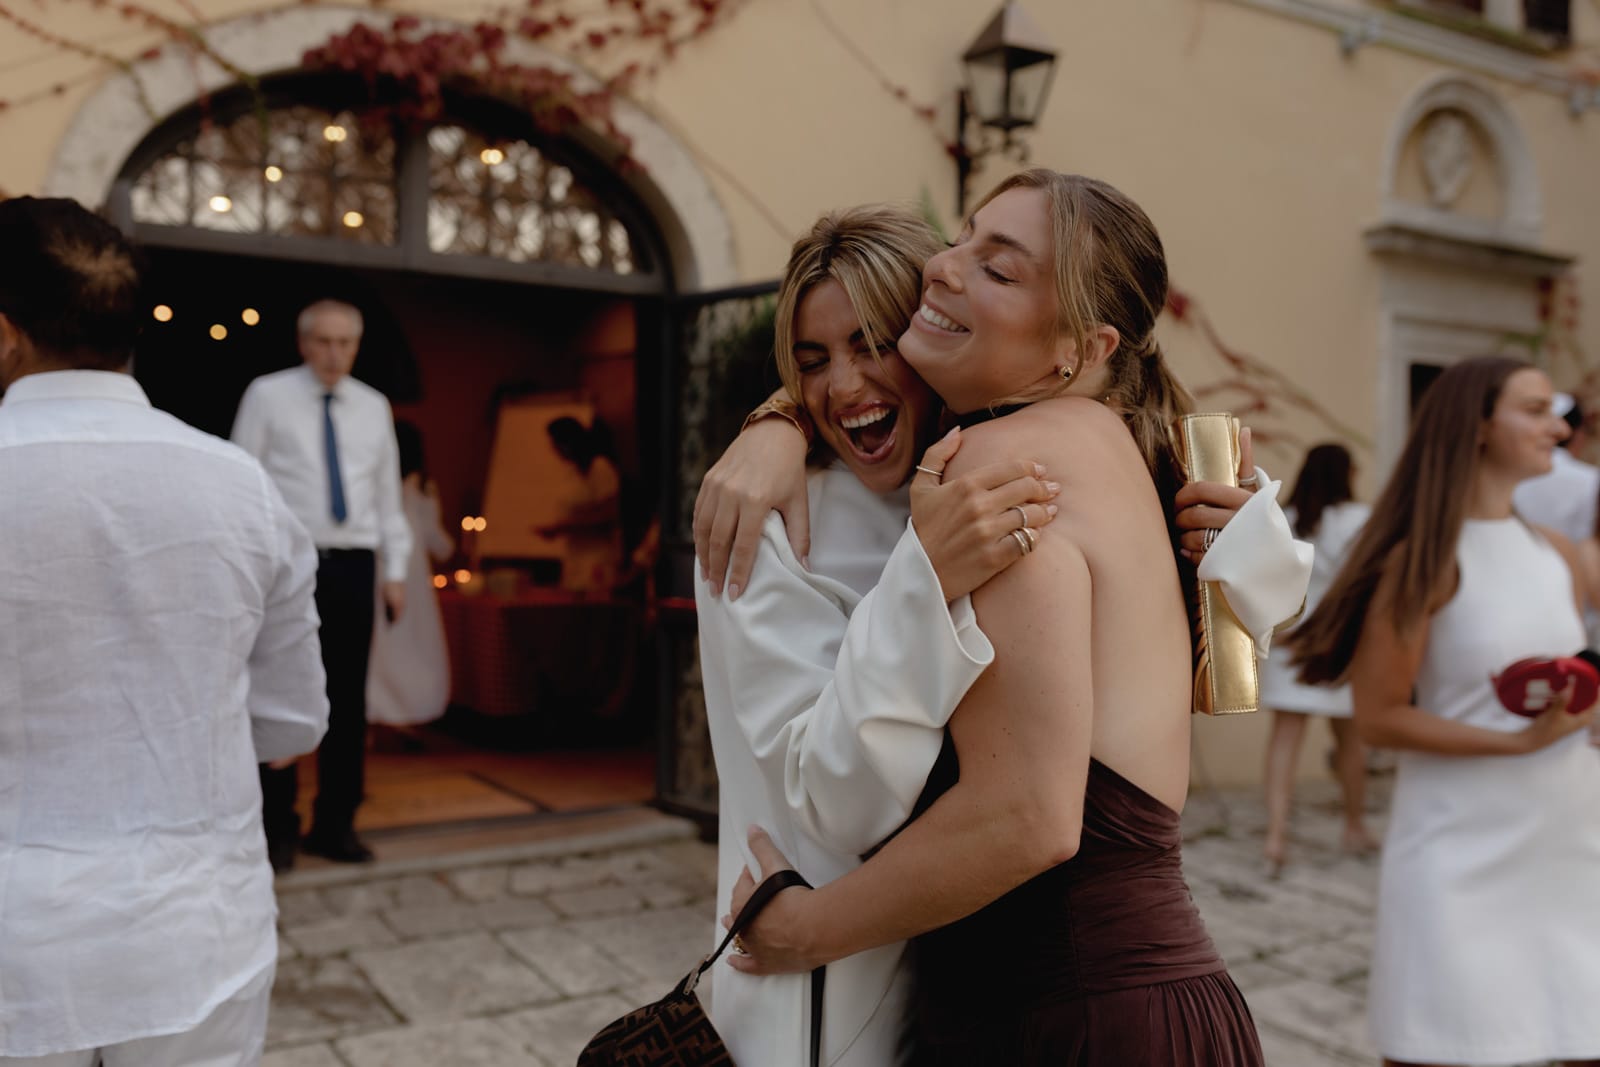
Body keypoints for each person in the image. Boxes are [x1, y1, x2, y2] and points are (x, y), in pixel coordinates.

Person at [705, 172, 1310, 1063]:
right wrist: (780, 418)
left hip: (1066, 1018)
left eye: (997, 266)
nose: (946, 268)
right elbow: (1190, 690)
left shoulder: (997, 469)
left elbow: (1030, 817)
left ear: (1078, 348)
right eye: (961, 241)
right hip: (1129, 998)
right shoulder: (1116, 445)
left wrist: (806, 931)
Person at [0, 197, 327, 1065]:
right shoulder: (243, 486)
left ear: (4, 334)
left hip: (18, 938)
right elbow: (292, 722)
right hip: (195, 927)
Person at [1289, 357, 1600, 1067]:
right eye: (1535, 410)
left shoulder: (1558, 553)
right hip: (1461, 854)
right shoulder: (1422, 562)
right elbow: (1379, 718)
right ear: (1477, 425)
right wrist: (1518, 743)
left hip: (1572, 844)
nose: (1560, 428)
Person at [232, 298, 412, 869]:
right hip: (288, 562)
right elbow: (243, 479)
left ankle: (337, 824)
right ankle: (276, 828)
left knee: (347, 698)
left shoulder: (373, 406)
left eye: (345, 343)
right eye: (324, 342)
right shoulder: (267, 395)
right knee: (277, 689)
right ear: (304, 342)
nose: (334, 354)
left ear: (357, 347)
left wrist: (396, 570)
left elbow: (386, 494)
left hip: (354, 563)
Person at [1259, 443, 1375, 875]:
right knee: (1350, 740)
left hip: (1291, 639)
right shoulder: (1359, 520)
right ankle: (1354, 826)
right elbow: (1366, 584)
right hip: (1339, 644)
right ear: (1348, 473)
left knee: (1284, 739)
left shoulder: (1283, 518)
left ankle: (1274, 836)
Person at [366, 419, 454, 729]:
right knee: (412, 639)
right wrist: (452, 549)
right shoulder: (422, 488)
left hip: (381, 569)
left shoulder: (375, 482)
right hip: (412, 576)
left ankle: (382, 709)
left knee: (384, 641)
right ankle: (404, 709)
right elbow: (434, 537)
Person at [541, 414, 623, 592]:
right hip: (574, 553)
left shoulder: (599, 467)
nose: (553, 449)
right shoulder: (571, 471)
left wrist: (567, 525)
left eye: (555, 443)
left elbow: (610, 513)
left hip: (596, 555)